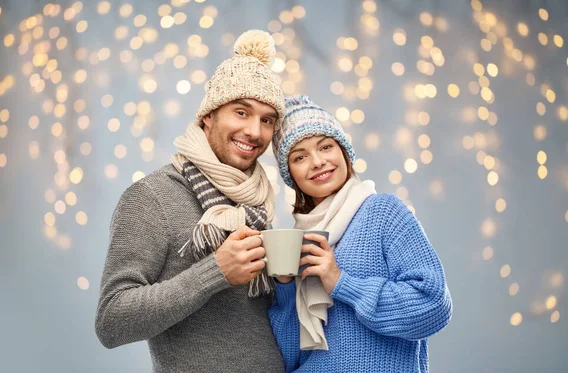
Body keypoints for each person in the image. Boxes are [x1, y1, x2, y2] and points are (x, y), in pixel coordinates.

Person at [95, 30, 287, 373]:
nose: (255, 132)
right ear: (208, 116)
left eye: (267, 120)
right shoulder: (151, 196)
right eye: (241, 112)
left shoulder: (256, 202)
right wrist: (216, 272)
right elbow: (111, 321)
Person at [268, 95, 453, 372]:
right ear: (290, 174)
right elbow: (291, 357)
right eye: (300, 156)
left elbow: (433, 306)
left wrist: (341, 282)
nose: (317, 162)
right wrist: (284, 287)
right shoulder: (301, 238)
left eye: (326, 146)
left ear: (344, 152)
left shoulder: (383, 212)